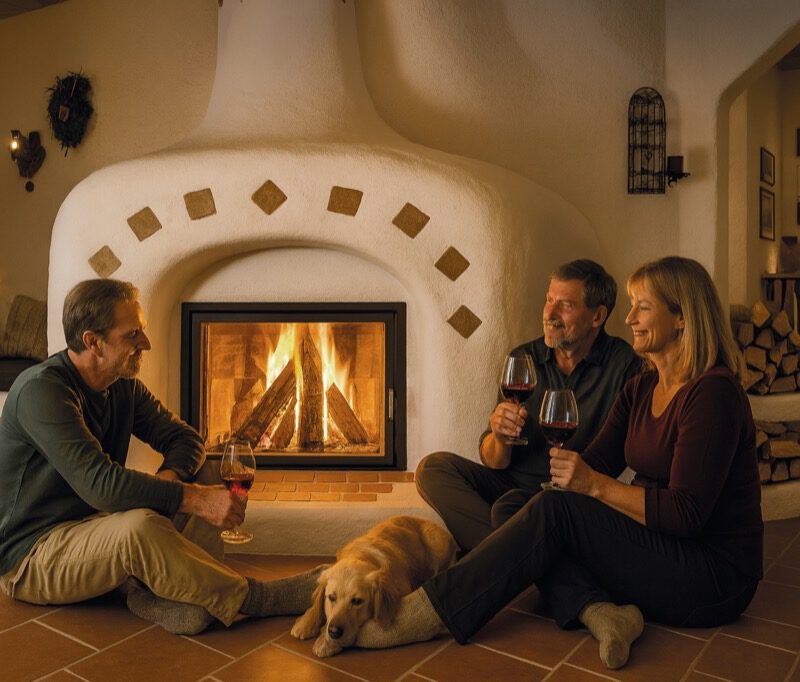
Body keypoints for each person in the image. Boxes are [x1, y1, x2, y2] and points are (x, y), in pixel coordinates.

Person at [351, 256, 763, 671]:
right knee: (518, 505)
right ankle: (598, 610)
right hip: (656, 545)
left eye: (643, 307)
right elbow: (596, 461)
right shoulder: (643, 386)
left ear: (682, 318)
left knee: (549, 510)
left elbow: (685, 514)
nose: (630, 318)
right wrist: (552, 475)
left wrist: (593, 487)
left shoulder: (713, 393)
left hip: (709, 575)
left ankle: (429, 611)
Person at [0, 279, 324, 635]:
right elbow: (101, 485)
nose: (146, 343)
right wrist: (191, 498)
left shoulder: (120, 385)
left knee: (206, 470)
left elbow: (186, 440)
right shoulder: (42, 391)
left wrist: (171, 480)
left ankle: (184, 597)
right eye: (132, 334)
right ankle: (258, 599)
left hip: (97, 525)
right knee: (139, 526)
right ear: (93, 342)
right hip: (34, 556)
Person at [416, 259, 641, 551]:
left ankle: (501, 558)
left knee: (510, 512)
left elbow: (626, 455)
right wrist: (499, 437)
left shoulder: (625, 367)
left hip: (572, 500)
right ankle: (518, 554)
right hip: (510, 490)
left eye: (565, 305)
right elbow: (495, 461)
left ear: (597, 316)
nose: (549, 313)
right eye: (549, 300)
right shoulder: (524, 359)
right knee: (433, 468)